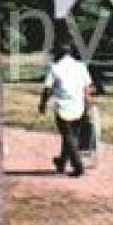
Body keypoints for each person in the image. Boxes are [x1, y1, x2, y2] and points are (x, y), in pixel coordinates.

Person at [40, 41, 93, 177]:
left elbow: (47, 89)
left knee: (68, 136)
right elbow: (86, 88)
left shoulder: (55, 68)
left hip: (63, 107)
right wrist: (88, 104)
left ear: (58, 54)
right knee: (71, 136)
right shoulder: (81, 66)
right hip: (79, 105)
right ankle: (61, 162)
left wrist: (43, 104)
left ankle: (78, 166)